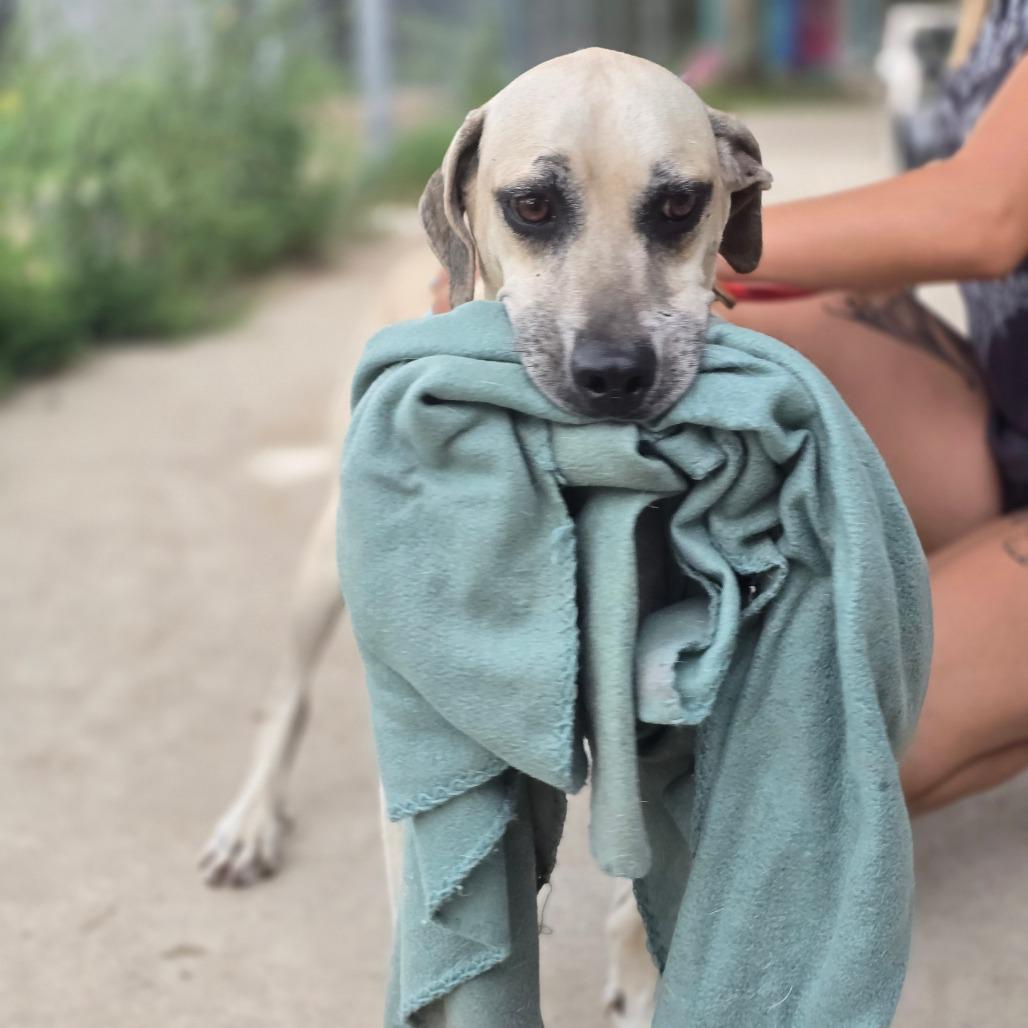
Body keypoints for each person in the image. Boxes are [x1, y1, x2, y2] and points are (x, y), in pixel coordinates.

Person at [429, 0, 1028, 816]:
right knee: (742, 352)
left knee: (799, 755)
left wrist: (714, 240)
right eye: (534, 210)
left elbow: (985, 216)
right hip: (1008, 403)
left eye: (678, 207)